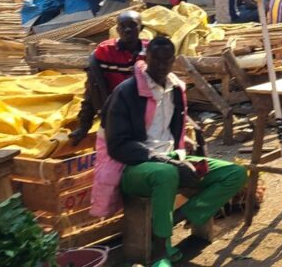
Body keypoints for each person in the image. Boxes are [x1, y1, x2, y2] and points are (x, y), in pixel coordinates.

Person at [95, 36, 247, 265]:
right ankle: (160, 248)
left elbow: (176, 132)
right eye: (156, 59)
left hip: (171, 159)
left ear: (173, 61)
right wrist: (169, 163)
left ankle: (180, 217)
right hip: (133, 168)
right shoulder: (126, 92)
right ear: (146, 59)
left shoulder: (175, 88)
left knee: (234, 173)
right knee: (166, 174)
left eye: (167, 60)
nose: (161, 65)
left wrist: (183, 157)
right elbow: (118, 146)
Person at [69, 11, 148, 146]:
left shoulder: (150, 52)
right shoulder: (105, 52)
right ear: (117, 30)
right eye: (122, 26)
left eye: (132, 25)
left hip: (145, 113)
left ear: (141, 28)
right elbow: (93, 92)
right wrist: (84, 126)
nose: (127, 30)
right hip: (115, 113)